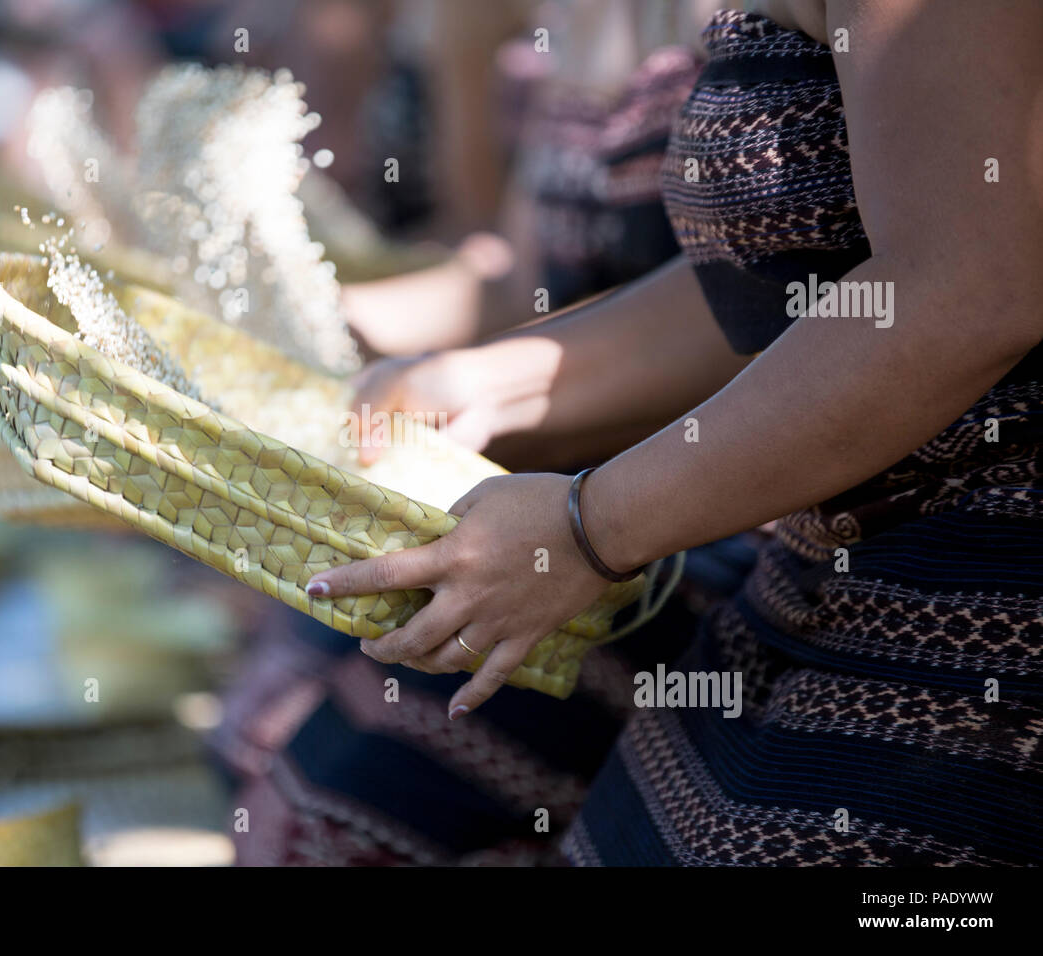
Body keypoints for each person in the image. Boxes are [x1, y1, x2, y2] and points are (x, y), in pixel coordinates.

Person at [271, 0, 1043, 865]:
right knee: (295, 781)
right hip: (808, 565)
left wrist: (591, 525)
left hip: (976, 617)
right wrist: (489, 379)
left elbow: (966, 292)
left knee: (353, 815)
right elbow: (771, 280)